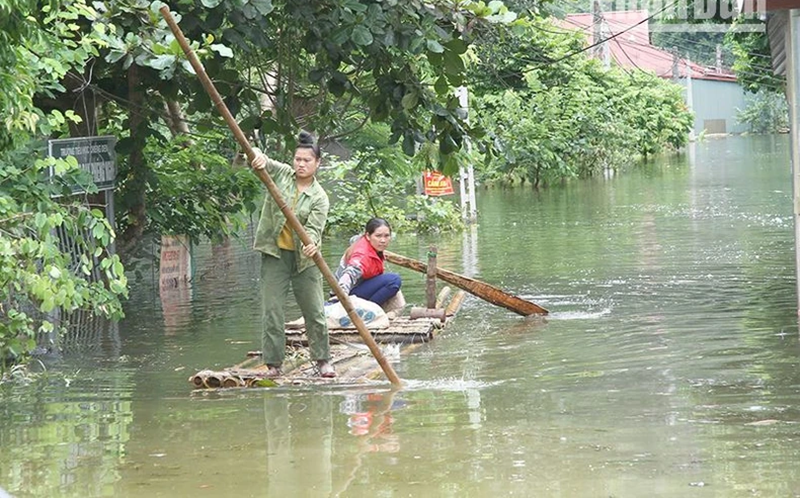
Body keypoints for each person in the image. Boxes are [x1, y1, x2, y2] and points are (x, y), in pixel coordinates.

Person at [250, 131, 335, 378]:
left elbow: (314, 230)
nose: (301, 164)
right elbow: (262, 160)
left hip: (304, 260)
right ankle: (274, 364)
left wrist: (312, 245)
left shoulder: (320, 197)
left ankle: (322, 360)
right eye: (298, 159)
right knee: (272, 310)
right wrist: (255, 155)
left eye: (307, 160)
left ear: (317, 163)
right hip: (275, 254)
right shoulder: (283, 174)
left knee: (315, 312)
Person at [333, 218, 402, 307]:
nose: (383, 240)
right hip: (346, 294)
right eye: (378, 236)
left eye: (386, 236)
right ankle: (369, 310)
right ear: (368, 236)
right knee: (393, 280)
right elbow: (350, 273)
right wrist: (342, 293)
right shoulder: (362, 254)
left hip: (357, 288)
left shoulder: (369, 246)